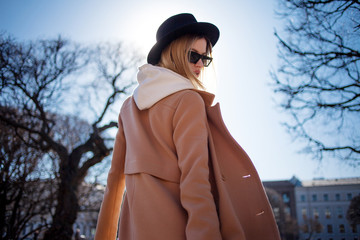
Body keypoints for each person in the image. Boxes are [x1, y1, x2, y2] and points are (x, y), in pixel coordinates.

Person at [95, 13, 280, 240]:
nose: (200, 64)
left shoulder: (128, 107)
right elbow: (196, 181)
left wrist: (103, 236)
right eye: (194, 56)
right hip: (178, 229)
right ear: (173, 52)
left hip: (134, 231)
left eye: (206, 58)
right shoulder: (187, 100)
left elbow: (114, 182)